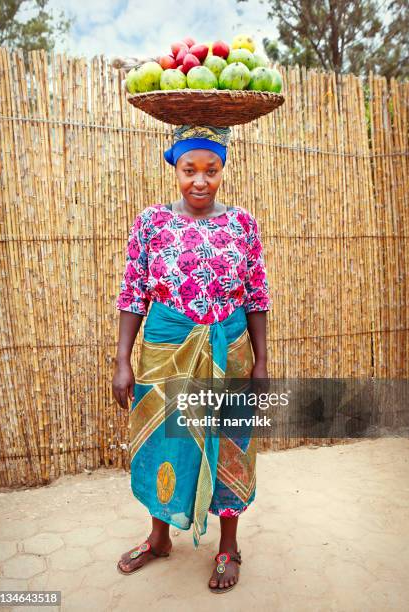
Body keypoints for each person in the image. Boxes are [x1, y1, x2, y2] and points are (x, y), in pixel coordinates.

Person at [112, 124, 271, 593]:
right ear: (175, 170)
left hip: (230, 348)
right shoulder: (151, 223)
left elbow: (257, 295)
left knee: (230, 442)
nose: (200, 181)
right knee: (163, 440)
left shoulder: (243, 224)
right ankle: (160, 537)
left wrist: (261, 362)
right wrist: (122, 359)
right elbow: (133, 292)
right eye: (189, 170)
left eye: (211, 170)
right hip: (166, 345)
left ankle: (228, 546)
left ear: (223, 170)